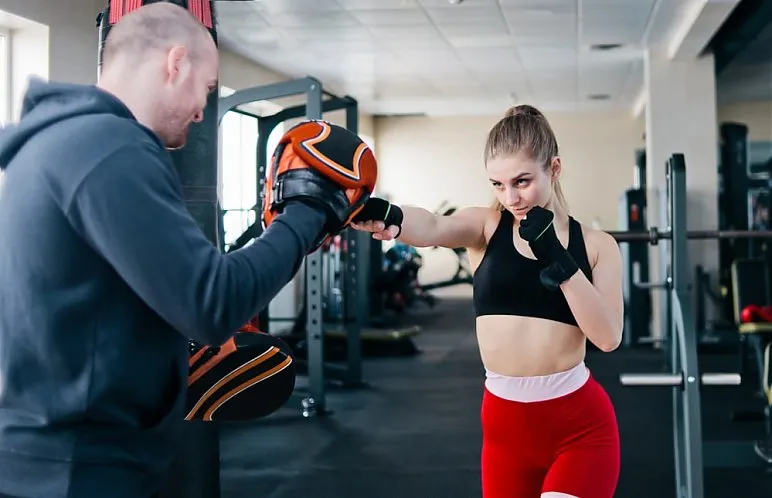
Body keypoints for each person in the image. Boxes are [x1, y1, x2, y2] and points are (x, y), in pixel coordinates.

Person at [0, 3, 368, 497]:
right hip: (79, 470)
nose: (202, 110)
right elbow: (212, 304)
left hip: (57, 456)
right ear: (176, 64)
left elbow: (86, 305)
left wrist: (166, 366)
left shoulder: (59, 143)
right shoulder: (110, 148)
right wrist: (307, 212)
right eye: (209, 88)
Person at [353, 105, 623, 498]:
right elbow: (432, 226)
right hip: (504, 431)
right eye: (498, 184)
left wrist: (559, 261)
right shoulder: (487, 227)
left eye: (522, 181)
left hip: (579, 428)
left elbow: (609, 336)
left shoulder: (597, 246)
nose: (511, 197)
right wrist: (391, 216)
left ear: (555, 168)